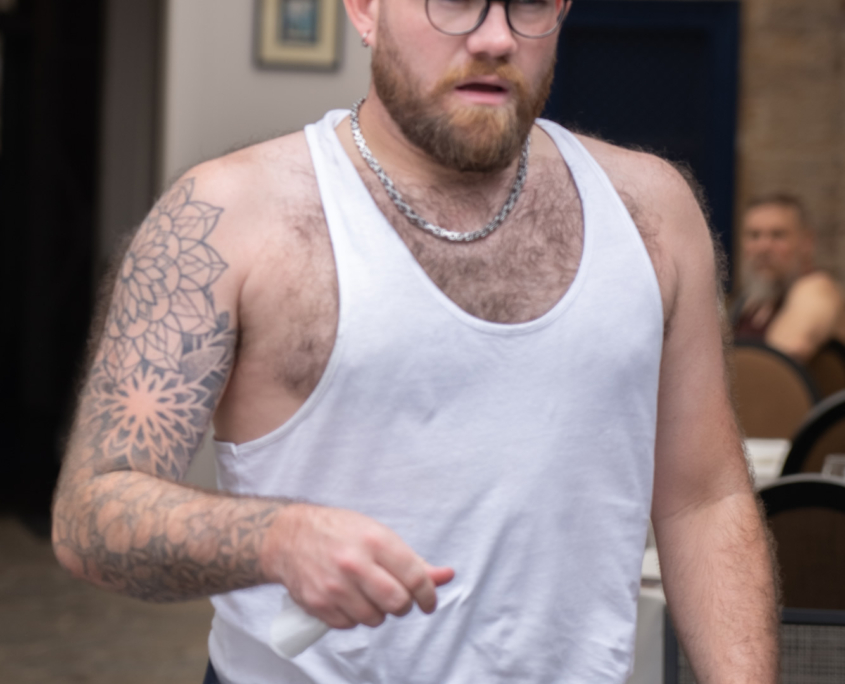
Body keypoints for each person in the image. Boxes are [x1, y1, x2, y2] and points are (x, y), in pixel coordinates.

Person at [52, 0, 779, 682]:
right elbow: (93, 514)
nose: (496, 37)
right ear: (364, 9)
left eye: (528, 2)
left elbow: (703, 500)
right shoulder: (230, 216)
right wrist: (275, 537)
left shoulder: (652, 213)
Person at [734, 192, 845, 362]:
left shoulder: (816, 289)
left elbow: (777, 360)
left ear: (806, 242)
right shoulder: (753, 302)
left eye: (778, 235)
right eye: (754, 235)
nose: (763, 247)